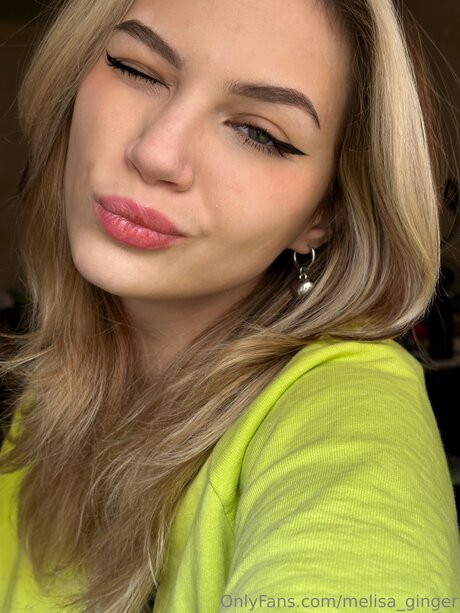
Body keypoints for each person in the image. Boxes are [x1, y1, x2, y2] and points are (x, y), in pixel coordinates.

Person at [0, 0, 459, 611]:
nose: (156, 153)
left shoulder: (356, 417)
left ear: (324, 214)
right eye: (137, 70)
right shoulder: (54, 389)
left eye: (259, 133)